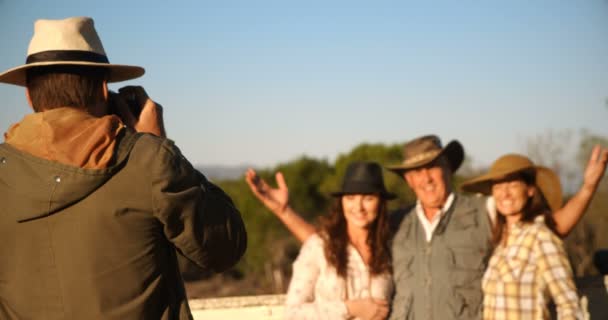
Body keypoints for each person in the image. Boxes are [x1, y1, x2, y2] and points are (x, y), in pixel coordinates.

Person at [0, 17, 246, 320]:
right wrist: (158, 144)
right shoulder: (148, 161)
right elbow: (225, 246)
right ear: (105, 90)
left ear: (28, 96)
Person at [249, 134, 608, 319]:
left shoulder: (482, 212)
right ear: (407, 181)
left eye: (431, 166)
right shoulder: (398, 223)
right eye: (414, 171)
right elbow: (334, 243)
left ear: (448, 168)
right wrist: (285, 213)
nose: (424, 178)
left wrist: (589, 186)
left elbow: (551, 228)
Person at [246, 162, 395, 320]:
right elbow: (293, 314)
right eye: (350, 198)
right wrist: (349, 308)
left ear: (381, 203)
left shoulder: (392, 247)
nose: (358, 207)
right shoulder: (318, 246)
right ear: (341, 202)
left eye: (368, 198)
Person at [461, 154, 583, 319]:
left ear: (530, 190)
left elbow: (568, 304)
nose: (505, 193)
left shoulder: (540, 237)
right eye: (498, 186)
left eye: (512, 184)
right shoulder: (500, 244)